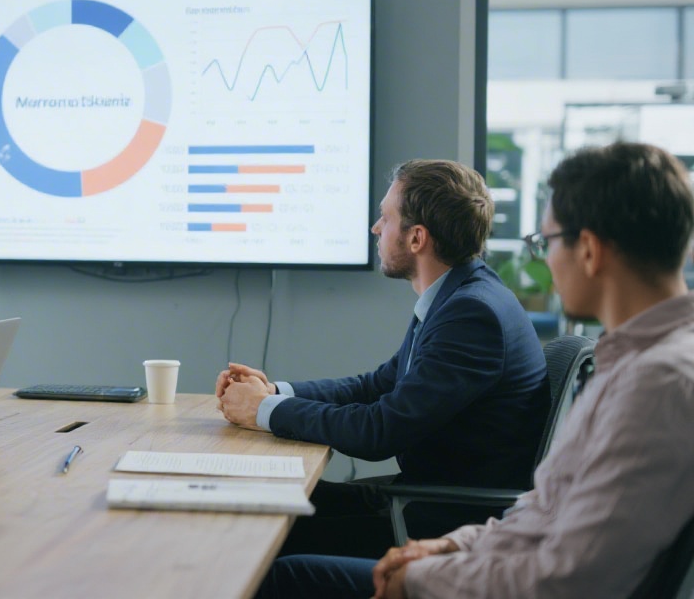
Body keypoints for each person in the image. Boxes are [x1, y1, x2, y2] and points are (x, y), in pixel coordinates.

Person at [264, 142, 694, 599]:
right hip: (482, 545)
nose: (542, 259)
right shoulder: (632, 362)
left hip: (496, 569)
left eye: (544, 242)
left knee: (286, 573)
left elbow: (570, 578)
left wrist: (424, 577)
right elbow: (544, 510)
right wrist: (452, 545)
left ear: (588, 250)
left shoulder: (658, 385)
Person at [217, 159, 546, 558]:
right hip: (422, 498)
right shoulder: (458, 297)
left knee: (264, 539)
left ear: (416, 238)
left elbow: (379, 431)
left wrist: (264, 410)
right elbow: (378, 385)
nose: (375, 228)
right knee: (264, 501)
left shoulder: (472, 315)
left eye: (385, 218)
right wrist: (273, 391)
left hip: (437, 522)